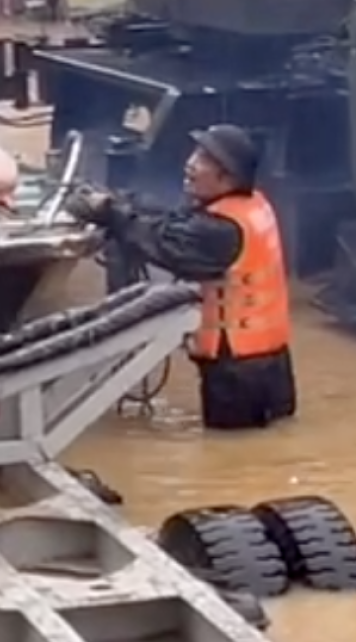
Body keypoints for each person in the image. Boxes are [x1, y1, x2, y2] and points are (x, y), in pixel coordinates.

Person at [67, 124, 296, 430]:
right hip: (272, 362)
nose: (190, 164)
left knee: (228, 458)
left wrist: (111, 214)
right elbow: (174, 220)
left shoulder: (219, 231)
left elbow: (163, 242)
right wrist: (125, 206)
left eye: (203, 159)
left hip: (236, 371)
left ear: (226, 177)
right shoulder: (253, 205)